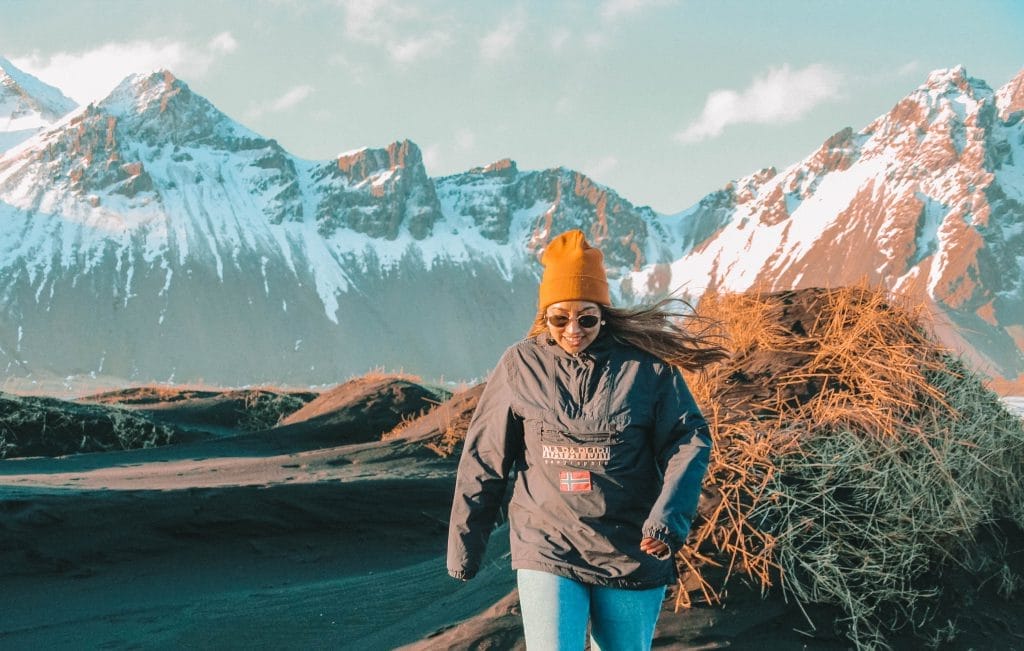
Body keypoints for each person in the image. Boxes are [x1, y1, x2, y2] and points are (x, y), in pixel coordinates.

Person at [447, 229, 726, 650]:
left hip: (630, 548)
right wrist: (465, 546)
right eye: (560, 319)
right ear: (545, 315)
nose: (573, 329)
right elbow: (484, 458)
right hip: (547, 543)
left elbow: (689, 441)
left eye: (587, 318)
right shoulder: (520, 365)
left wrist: (667, 521)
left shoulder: (648, 369)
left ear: (603, 315)